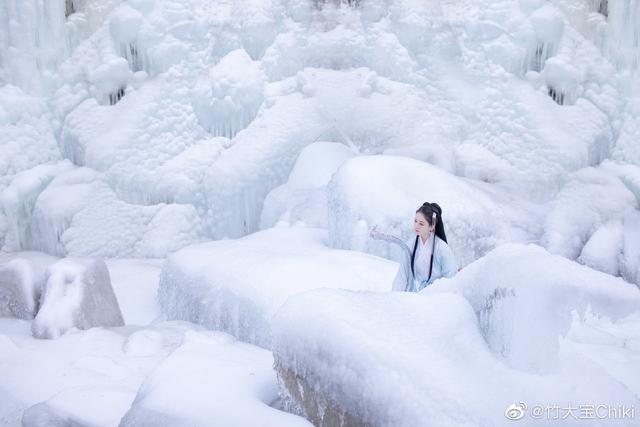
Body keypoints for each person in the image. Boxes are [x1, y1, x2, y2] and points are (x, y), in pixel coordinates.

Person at [370, 202, 458, 292]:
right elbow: (402, 276)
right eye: (415, 221)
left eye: (421, 223)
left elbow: (450, 280)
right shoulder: (411, 245)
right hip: (418, 295)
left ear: (432, 226)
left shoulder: (442, 249)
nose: (416, 226)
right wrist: (394, 298)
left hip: (439, 295)